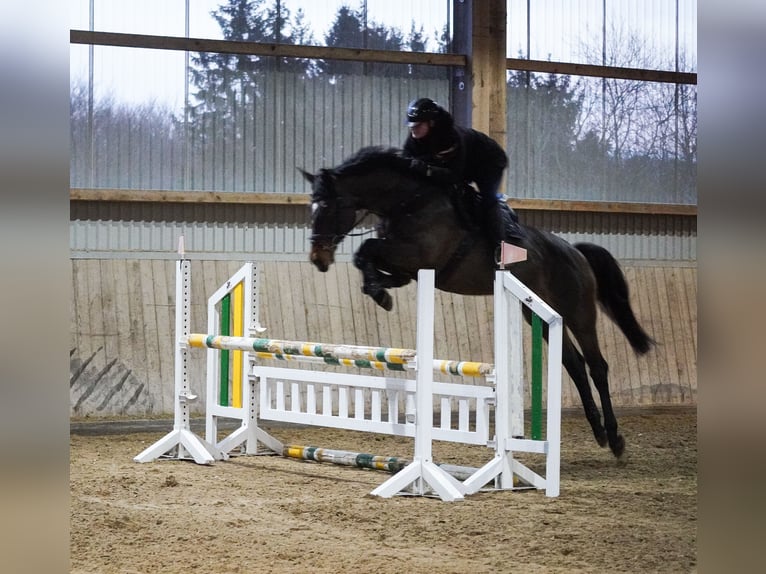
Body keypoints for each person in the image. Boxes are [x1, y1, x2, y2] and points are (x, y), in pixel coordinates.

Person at [402, 97, 523, 244]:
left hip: (488, 161)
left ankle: (499, 244)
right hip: (464, 162)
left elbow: (453, 175)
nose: (413, 129)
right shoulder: (415, 138)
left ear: (431, 123)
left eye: (418, 125)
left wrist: (427, 170)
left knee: (488, 199)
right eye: (411, 126)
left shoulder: (449, 139)